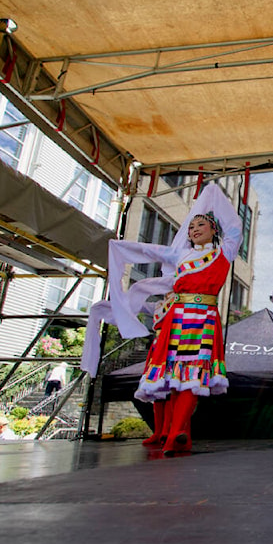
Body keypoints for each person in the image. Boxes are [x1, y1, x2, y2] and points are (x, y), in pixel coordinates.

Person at [102, 183, 242, 455]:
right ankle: (176, 433)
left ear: (214, 229)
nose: (195, 229)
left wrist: (213, 194)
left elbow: (234, 225)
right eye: (191, 227)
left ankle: (176, 432)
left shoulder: (225, 251)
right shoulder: (180, 255)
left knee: (192, 371)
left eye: (201, 224)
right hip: (176, 319)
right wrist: (119, 247)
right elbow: (147, 251)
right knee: (174, 375)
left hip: (203, 318)